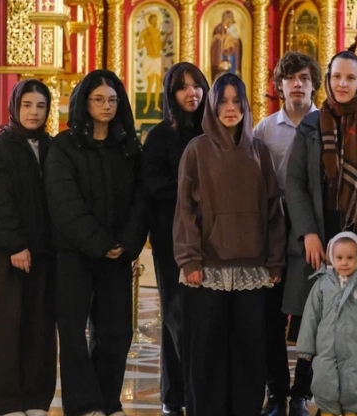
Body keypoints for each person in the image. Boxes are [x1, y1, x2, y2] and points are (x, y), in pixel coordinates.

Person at [284, 50, 357, 415]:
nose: (343, 83)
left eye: (350, 78)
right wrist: (307, 232)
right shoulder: (310, 125)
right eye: (337, 76)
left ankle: (356, 400)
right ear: (328, 80)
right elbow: (295, 182)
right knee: (315, 321)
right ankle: (301, 394)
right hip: (322, 235)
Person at [173, 73, 286, 416]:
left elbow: (273, 209)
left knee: (248, 352)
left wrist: (275, 261)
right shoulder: (197, 150)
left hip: (253, 268)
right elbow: (185, 209)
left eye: (237, 101)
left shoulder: (259, 150)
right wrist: (190, 260)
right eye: (223, 101)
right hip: (208, 270)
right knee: (207, 353)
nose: (230, 108)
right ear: (212, 105)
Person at [45, 69, 146, 416]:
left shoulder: (129, 148)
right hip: (74, 253)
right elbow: (64, 202)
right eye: (99, 99)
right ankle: (84, 405)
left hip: (117, 255)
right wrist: (100, 242)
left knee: (117, 332)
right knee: (73, 331)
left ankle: (108, 401)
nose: (106, 106)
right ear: (84, 102)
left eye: (113, 100)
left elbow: (140, 200)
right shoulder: (63, 146)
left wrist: (126, 242)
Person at [0, 79, 57, 416]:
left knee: (39, 326)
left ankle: (36, 399)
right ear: (15, 106)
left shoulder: (52, 147)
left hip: (43, 252)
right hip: (6, 252)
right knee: (5, 326)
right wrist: (15, 245)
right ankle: (6, 402)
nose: (34, 112)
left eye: (40, 106)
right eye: (27, 105)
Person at [254, 52, 322, 416]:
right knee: (271, 317)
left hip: (314, 232)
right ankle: (277, 391)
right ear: (279, 85)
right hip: (274, 232)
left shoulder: (326, 126)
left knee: (313, 316)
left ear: (314, 85)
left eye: (304, 78)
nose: (297, 84)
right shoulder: (264, 130)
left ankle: (302, 392)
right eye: (290, 78)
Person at [142, 62, 209, 416]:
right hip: (171, 241)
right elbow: (152, 186)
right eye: (182, 87)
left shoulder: (214, 131)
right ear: (171, 94)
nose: (191, 93)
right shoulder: (159, 137)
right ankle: (174, 396)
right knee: (176, 319)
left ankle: (198, 393)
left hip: (211, 240)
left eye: (196, 85)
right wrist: (193, 191)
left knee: (206, 319)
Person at [296, 232, 357, 416]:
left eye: (350, 258)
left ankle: (352, 411)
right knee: (324, 383)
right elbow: (310, 317)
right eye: (339, 257)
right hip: (326, 350)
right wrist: (305, 348)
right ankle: (327, 411)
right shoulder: (321, 285)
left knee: (355, 384)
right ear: (331, 257)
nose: (344, 263)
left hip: (356, 350)